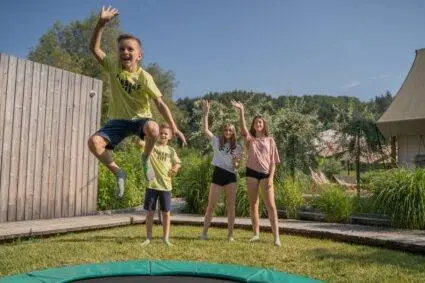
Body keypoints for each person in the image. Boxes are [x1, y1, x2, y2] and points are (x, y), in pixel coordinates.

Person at [88, 6, 186, 199]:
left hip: (141, 119)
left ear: (139, 55)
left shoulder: (145, 77)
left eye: (130, 49)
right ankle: (119, 172)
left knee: (153, 128)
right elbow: (94, 49)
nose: (125, 52)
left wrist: (174, 127)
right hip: (118, 120)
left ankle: (145, 156)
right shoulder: (113, 67)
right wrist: (101, 24)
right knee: (94, 143)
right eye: (121, 49)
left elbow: (160, 103)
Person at [231, 100, 281, 246]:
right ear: (253, 125)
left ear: (264, 124)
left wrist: (271, 177)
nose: (258, 124)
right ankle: (256, 234)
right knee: (253, 204)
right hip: (251, 173)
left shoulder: (270, 140)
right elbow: (242, 128)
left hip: (266, 175)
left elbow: (273, 162)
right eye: (256, 123)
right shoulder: (250, 140)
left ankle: (276, 237)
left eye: (260, 122)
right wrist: (241, 111)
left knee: (271, 206)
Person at [200, 100, 242, 242]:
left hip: (230, 175)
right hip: (218, 173)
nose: (228, 132)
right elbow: (205, 131)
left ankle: (230, 235)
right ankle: (204, 233)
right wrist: (206, 113)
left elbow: (237, 166)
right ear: (223, 131)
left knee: (230, 206)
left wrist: (236, 163)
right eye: (226, 130)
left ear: (234, 132)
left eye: (230, 130)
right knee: (211, 205)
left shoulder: (237, 147)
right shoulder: (217, 140)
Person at [139, 124, 181, 247]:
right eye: (161, 133)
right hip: (152, 184)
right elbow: (141, 144)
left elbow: (177, 163)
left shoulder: (171, 151)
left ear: (170, 137)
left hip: (166, 186)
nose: (163, 135)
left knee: (166, 213)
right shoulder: (152, 146)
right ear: (157, 134)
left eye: (165, 133)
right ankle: (148, 238)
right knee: (150, 212)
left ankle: (166, 238)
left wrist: (175, 168)